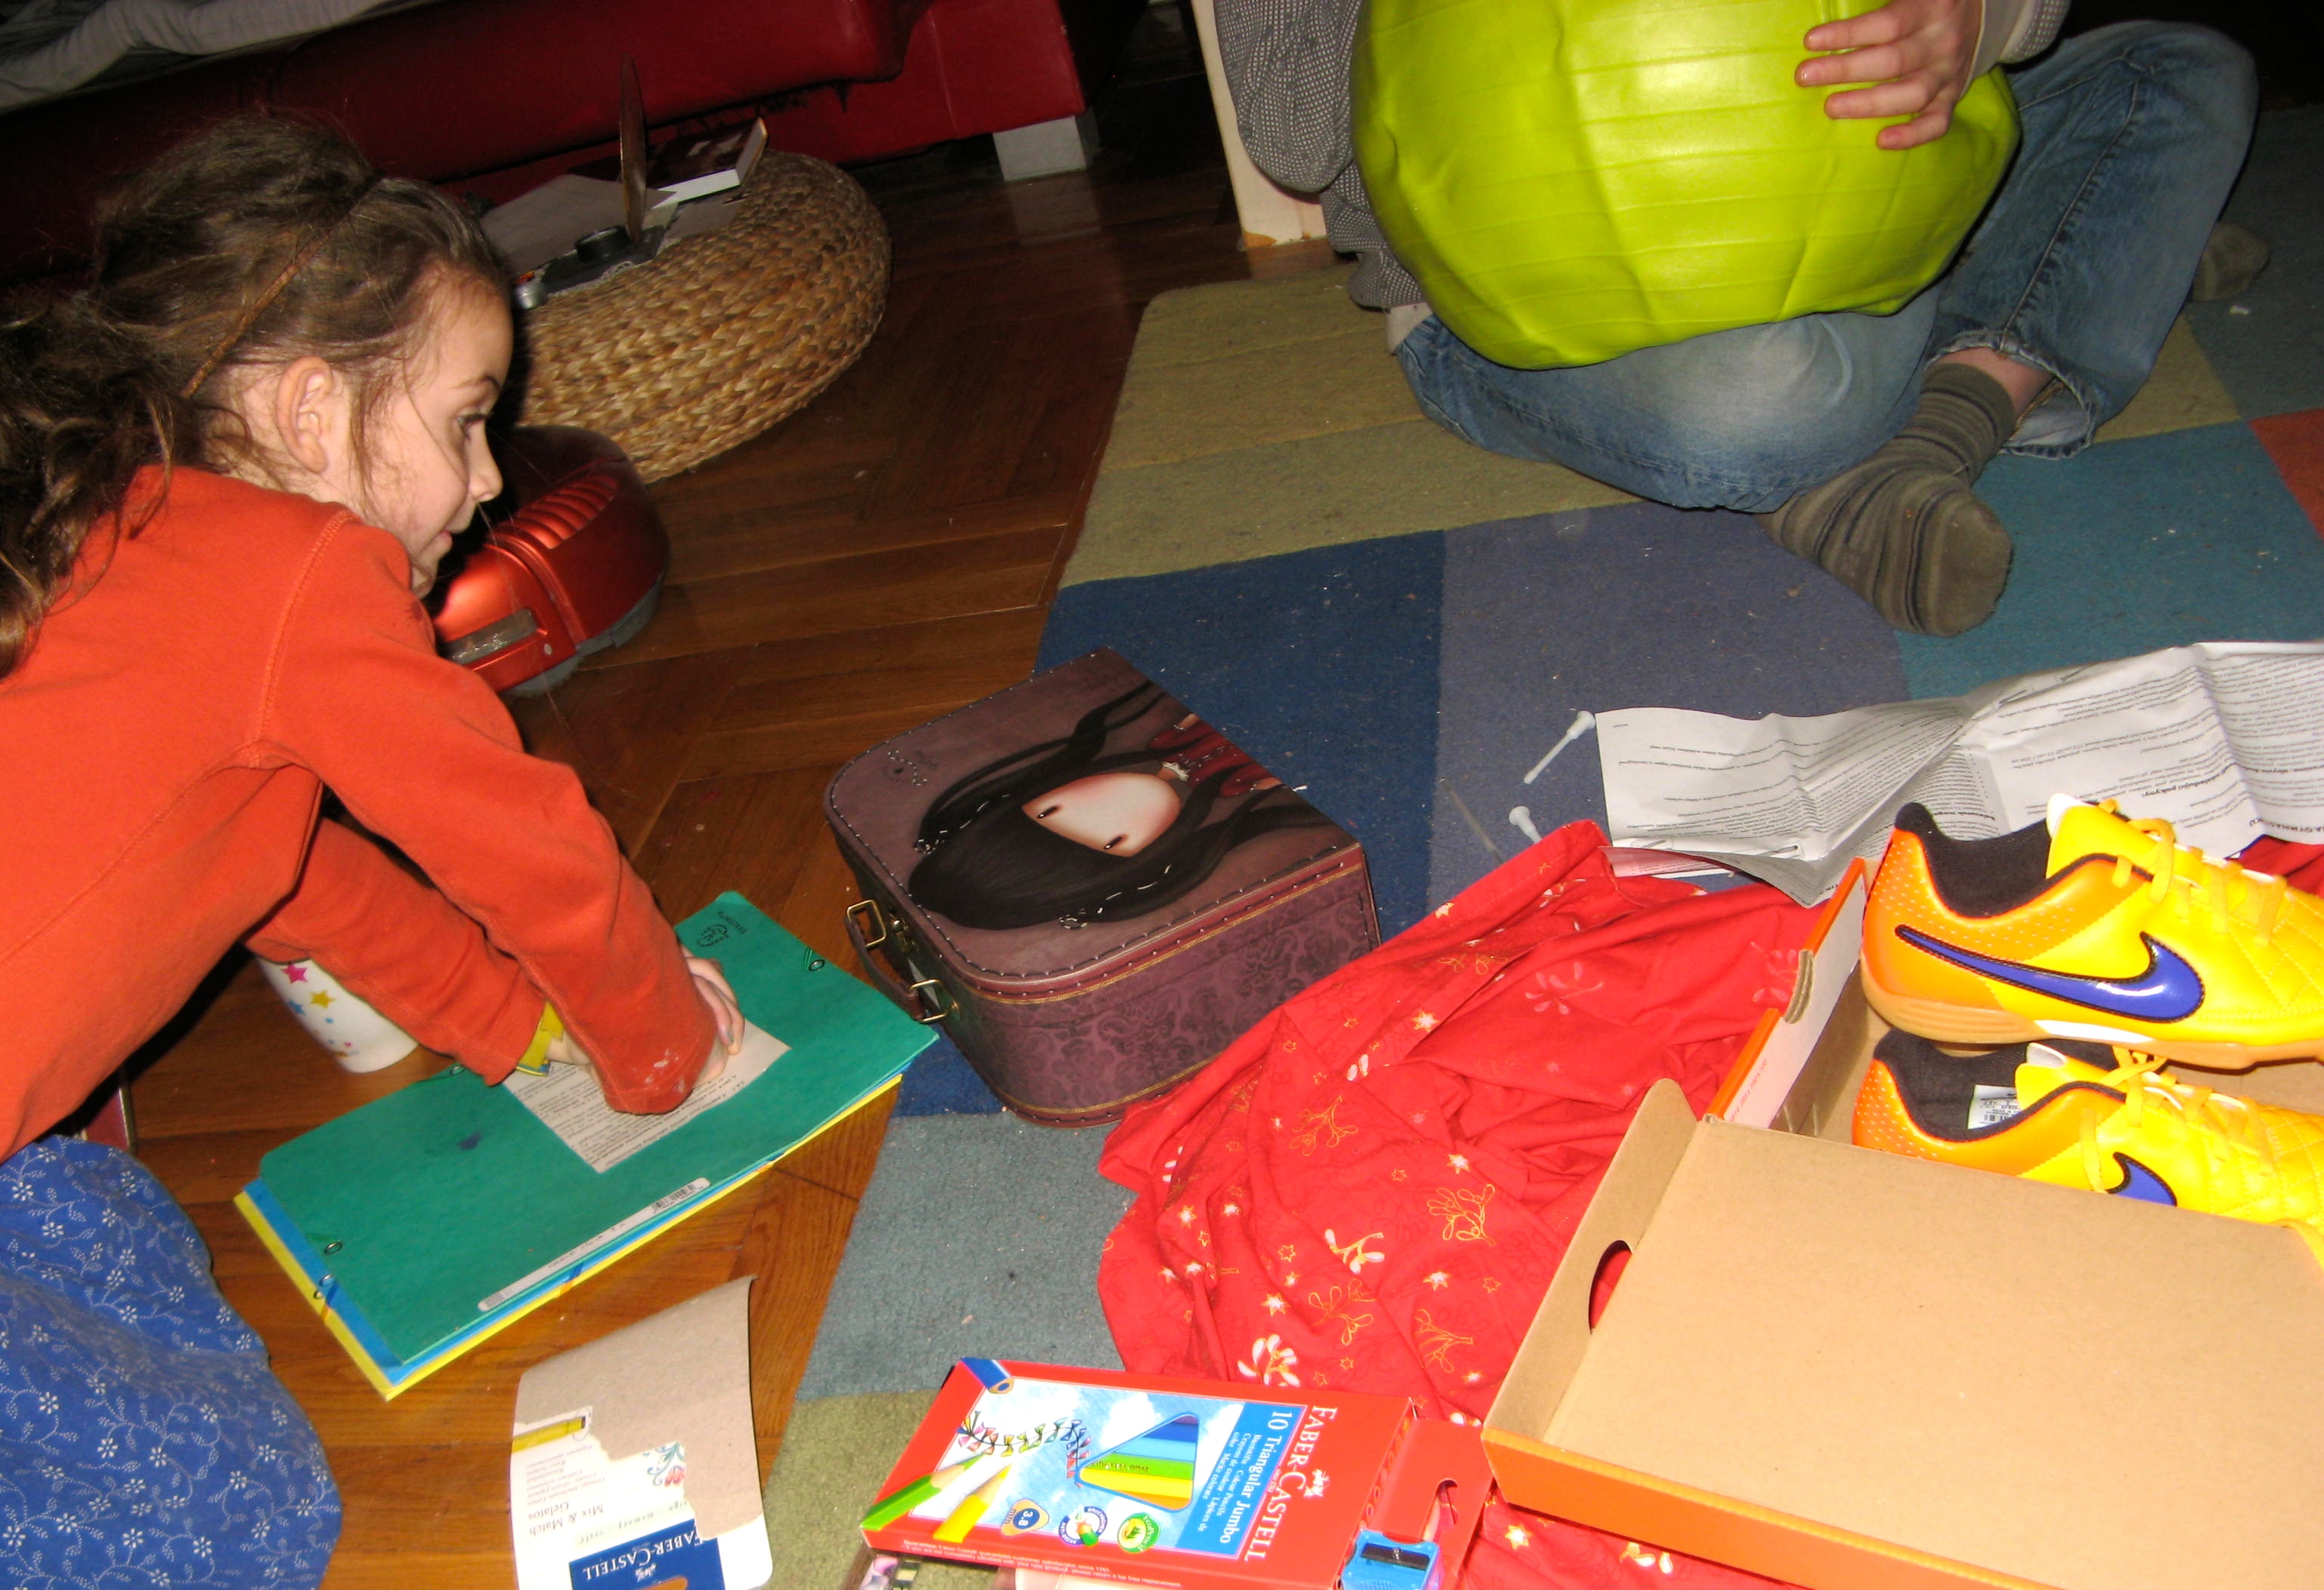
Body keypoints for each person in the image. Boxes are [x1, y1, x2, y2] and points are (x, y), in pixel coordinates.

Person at [0, 120, 741, 1590]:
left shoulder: (143, 542)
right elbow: (524, 840)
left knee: (93, 1232)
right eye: (467, 421)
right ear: (312, 411)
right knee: (219, 1529)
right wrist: (657, 1039)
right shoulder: (298, 567)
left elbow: (282, 874)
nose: (492, 480)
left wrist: (518, 1026)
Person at [1214, 0, 2263, 635]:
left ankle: (1964, 380)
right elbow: (1298, 135)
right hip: (1523, 295)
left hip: (1878, 175)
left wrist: (1975, 19)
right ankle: (2069, 266)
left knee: (2181, 71)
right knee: (1765, 399)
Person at [907, 683, 1331, 929]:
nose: (1111, 804)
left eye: (1049, 812)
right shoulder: (1233, 785)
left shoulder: (1163, 739)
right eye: (1112, 841)